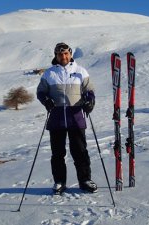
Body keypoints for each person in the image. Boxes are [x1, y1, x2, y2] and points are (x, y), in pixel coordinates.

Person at [37, 42, 97, 194]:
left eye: (65, 54)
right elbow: (41, 92)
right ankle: (59, 182)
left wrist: (90, 101)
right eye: (59, 54)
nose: (63, 57)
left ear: (70, 54)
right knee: (57, 154)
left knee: (80, 151)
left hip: (75, 116)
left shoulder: (80, 71)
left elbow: (89, 90)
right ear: (56, 56)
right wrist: (46, 100)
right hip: (56, 117)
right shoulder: (49, 73)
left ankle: (85, 180)